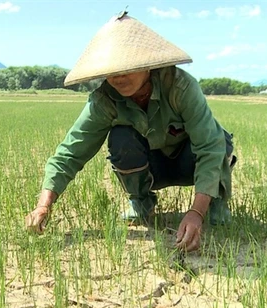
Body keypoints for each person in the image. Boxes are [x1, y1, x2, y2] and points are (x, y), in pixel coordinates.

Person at [24, 12, 236, 252]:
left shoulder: (180, 87)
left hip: (191, 162)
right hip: (153, 168)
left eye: (126, 69)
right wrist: (44, 206)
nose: (118, 78)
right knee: (121, 137)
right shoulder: (105, 101)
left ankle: (214, 200)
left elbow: (209, 146)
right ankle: (141, 203)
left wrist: (197, 212)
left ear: (147, 65)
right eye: (112, 72)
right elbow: (70, 153)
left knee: (221, 140)